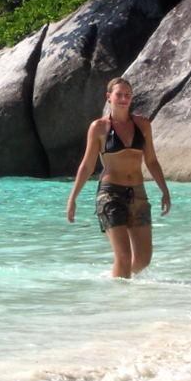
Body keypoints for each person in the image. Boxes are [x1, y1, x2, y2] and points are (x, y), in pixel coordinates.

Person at [66, 77, 171, 278]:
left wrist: (165, 191)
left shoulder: (142, 125)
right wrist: (72, 198)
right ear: (109, 97)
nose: (123, 99)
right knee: (123, 256)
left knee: (143, 259)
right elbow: (87, 165)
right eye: (119, 94)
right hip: (110, 194)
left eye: (127, 95)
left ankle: (116, 279)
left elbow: (151, 161)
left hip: (138, 194)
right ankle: (118, 291)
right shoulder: (99, 127)